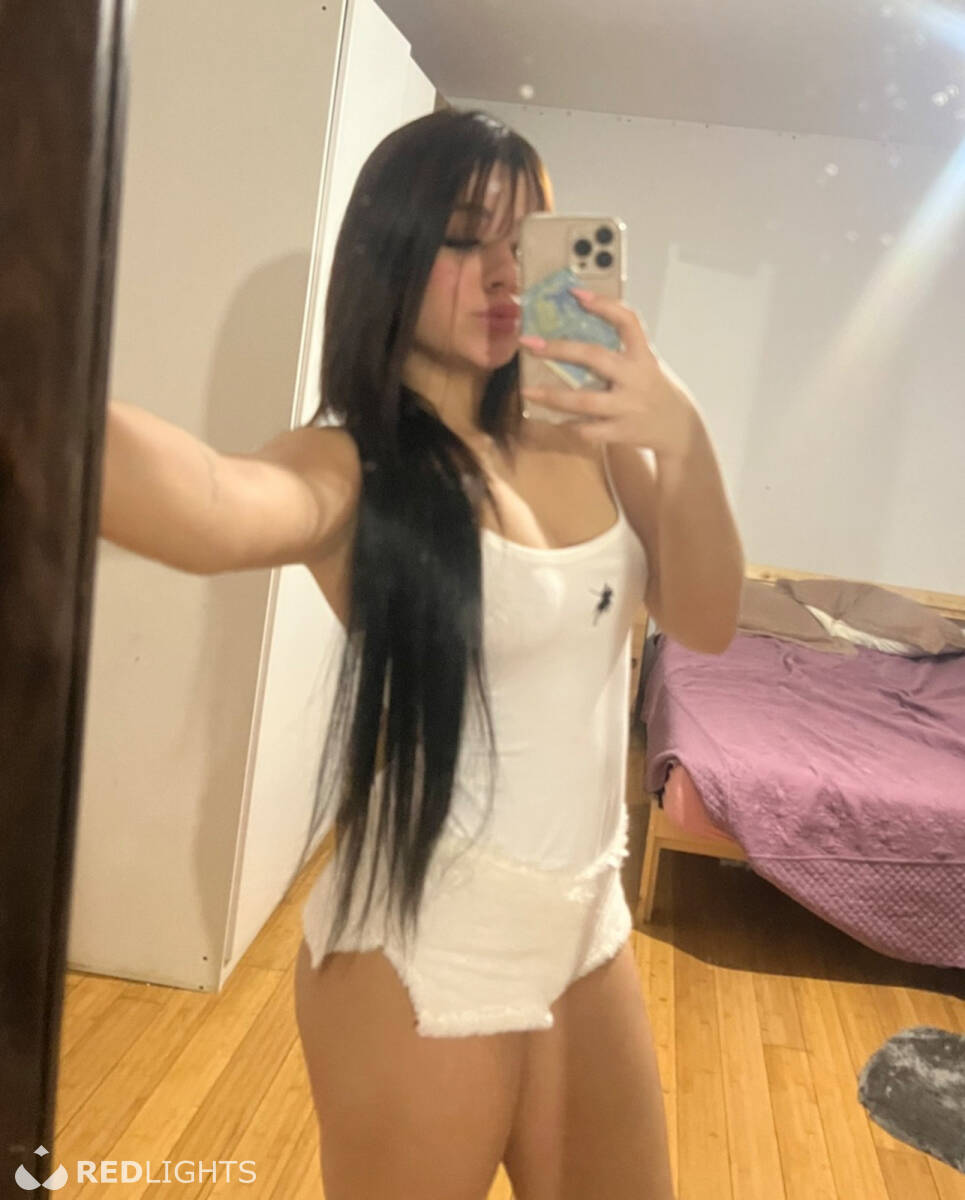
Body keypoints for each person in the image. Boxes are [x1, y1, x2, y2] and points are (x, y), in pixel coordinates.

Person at [100, 107, 743, 1200]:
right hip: (419, 941)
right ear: (389, 252)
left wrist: (677, 431)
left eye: (523, 240)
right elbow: (208, 504)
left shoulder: (586, 433)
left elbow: (708, 617)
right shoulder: (349, 464)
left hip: (585, 929)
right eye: (462, 237)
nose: (503, 272)